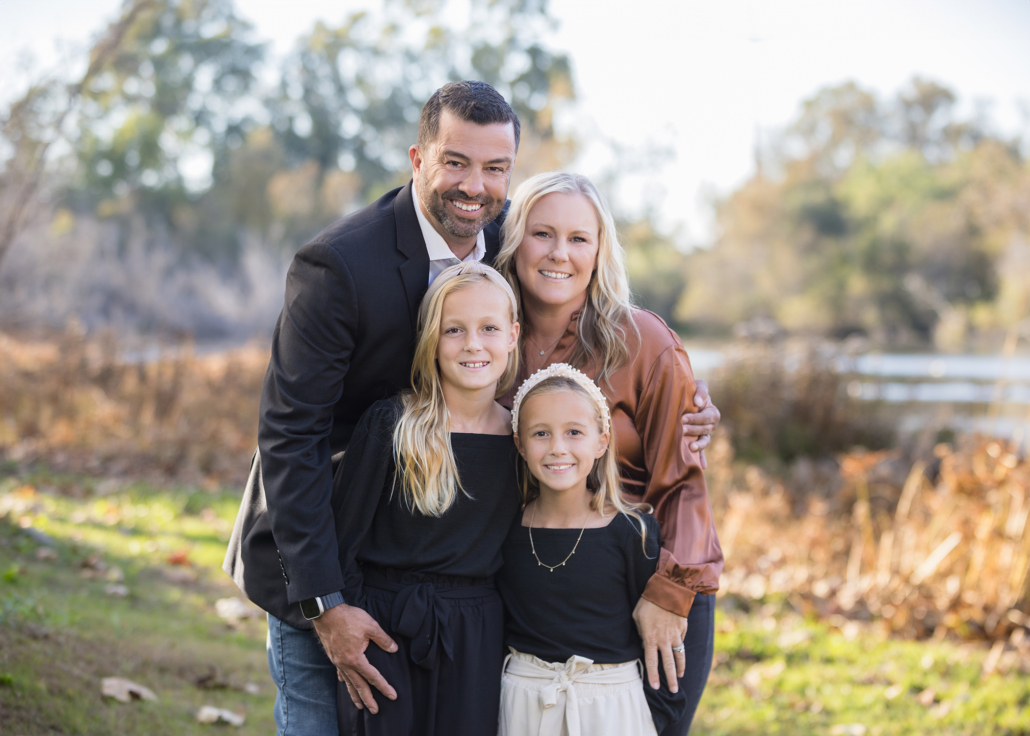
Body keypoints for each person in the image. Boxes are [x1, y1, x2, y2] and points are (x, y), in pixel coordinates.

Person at [222, 80, 719, 735]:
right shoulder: (339, 267)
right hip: (323, 548)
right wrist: (324, 599)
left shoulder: (510, 237)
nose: (475, 185)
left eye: (495, 168)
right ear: (417, 158)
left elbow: (579, 267)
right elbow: (291, 436)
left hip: (483, 588)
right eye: (455, 161)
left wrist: (675, 381)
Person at [495, 172, 724, 735]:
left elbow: (684, 482)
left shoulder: (642, 341)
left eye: (579, 238)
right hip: (529, 593)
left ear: (600, 251)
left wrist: (670, 593)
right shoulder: (486, 339)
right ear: (514, 240)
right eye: (541, 233)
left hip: (646, 590)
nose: (559, 254)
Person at [330, 262, 522, 735]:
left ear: (513, 336)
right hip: (384, 625)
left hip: (477, 633)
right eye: (453, 330)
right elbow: (342, 539)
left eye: (489, 328)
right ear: (431, 340)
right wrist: (349, 622)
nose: (473, 344)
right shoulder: (392, 424)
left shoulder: (523, 440)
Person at [497, 363, 686, 736]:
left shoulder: (633, 532)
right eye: (540, 433)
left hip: (612, 705)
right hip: (524, 703)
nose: (557, 449)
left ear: (601, 441)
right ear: (519, 443)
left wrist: (650, 719)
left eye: (574, 432)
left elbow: (661, 644)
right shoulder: (505, 529)